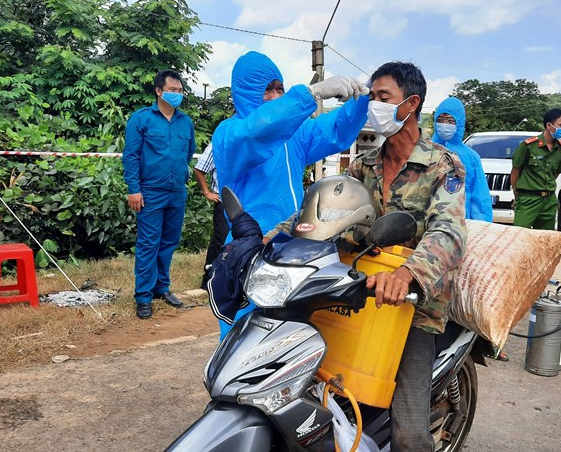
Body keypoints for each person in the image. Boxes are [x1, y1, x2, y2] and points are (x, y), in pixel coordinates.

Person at [268, 61, 467, 451]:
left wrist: (407, 274)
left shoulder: (443, 165)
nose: (373, 105)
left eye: (382, 98)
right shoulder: (364, 165)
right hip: (355, 290)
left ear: (410, 104)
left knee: (408, 433)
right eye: (371, 96)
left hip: (411, 306)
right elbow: (324, 207)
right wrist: (270, 237)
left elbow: (450, 231)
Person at [212, 51, 369, 338]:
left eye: (279, 88)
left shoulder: (294, 135)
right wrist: (311, 94)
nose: (274, 95)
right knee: (247, 335)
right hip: (250, 247)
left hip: (293, 245)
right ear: (245, 92)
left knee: (291, 332)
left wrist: (362, 100)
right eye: (266, 90)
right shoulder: (229, 134)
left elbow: (333, 129)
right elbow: (257, 131)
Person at [122, 70, 195, 319]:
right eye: (172, 90)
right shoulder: (141, 119)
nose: (177, 95)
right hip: (150, 192)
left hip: (177, 191)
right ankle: (143, 296)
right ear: (159, 91)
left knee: (169, 242)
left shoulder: (186, 122)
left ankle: (161, 288)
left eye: (180, 91)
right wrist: (134, 189)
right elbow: (130, 156)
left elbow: (187, 155)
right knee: (148, 243)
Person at [432, 96, 494, 222]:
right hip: (429, 218)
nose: (444, 125)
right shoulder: (425, 150)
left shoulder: (471, 156)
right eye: (440, 120)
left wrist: (481, 225)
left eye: (450, 121)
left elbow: (480, 196)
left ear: (459, 123)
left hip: (460, 219)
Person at [511, 108, 561, 229]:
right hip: (528, 199)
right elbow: (516, 170)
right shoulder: (529, 146)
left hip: (549, 201)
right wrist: (517, 194)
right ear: (549, 125)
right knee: (520, 236)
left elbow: (556, 172)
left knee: (545, 239)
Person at [193, 143, 229, 291]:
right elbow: (199, 168)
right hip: (223, 200)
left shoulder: (250, 139)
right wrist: (207, 192)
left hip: (247, 201)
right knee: (221, 239)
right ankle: (209, 280)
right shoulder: (218, 144)